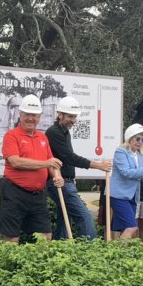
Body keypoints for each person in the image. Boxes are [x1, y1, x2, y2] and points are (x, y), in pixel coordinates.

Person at [0, 94, 64, 243]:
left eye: (34, 115)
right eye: (27, 114)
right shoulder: (11, 136)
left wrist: (57, 176)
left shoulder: (43, 138)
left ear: (39, 117)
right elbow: (15, 162)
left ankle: (39, 260)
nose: (30, 118)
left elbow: (52, 164)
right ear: (20, 115)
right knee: (10, 238)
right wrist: (46, 163)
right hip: (14, 193)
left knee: (45, 236)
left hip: (38, 195)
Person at [44, 96, 112, 239]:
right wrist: (98, 165)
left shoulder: (64, 131)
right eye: (70, 116)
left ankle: (60, 248)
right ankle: (91, 249)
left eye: (75, 117)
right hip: (60, 182)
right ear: (60, 114)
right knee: (84, 215)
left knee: (65, 220)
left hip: (66, 182)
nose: (73, 120)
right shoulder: (54, 132)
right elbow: (70, 157)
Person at [109, 124, 143, 240]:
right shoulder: (121, 152)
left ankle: (121, 251)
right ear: (129, 138)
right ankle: (115, 250)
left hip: (133, 197)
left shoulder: (142, 155)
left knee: (126, 228)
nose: (140, 142)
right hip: (119, 195)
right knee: (131, 227)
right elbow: (126, 172)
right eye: (137, 138)